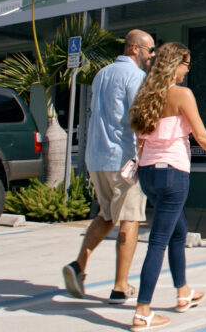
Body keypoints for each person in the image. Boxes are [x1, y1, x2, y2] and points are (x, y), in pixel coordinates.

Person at [127, 42, 206, 331]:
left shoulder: (146, 94)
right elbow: (201, 136)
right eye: (186, 64)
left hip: (149, 174)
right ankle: (142, 312)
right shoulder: (182, 94)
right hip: (173, 174)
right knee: (158, 241)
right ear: (174, 64)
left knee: (179, 231)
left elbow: (139, 137)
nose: (188, 70)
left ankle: (183, 292)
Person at [62, 29, 156, 304]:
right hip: (124, 159)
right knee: (130, 219)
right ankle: (120, 286)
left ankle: (79, 265)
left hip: (97, 158)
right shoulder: (136, 76)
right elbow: (139, 118)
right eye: (150, 50)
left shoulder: (102, 74)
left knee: (106, 215)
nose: (152, 55)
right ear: (135, 48)